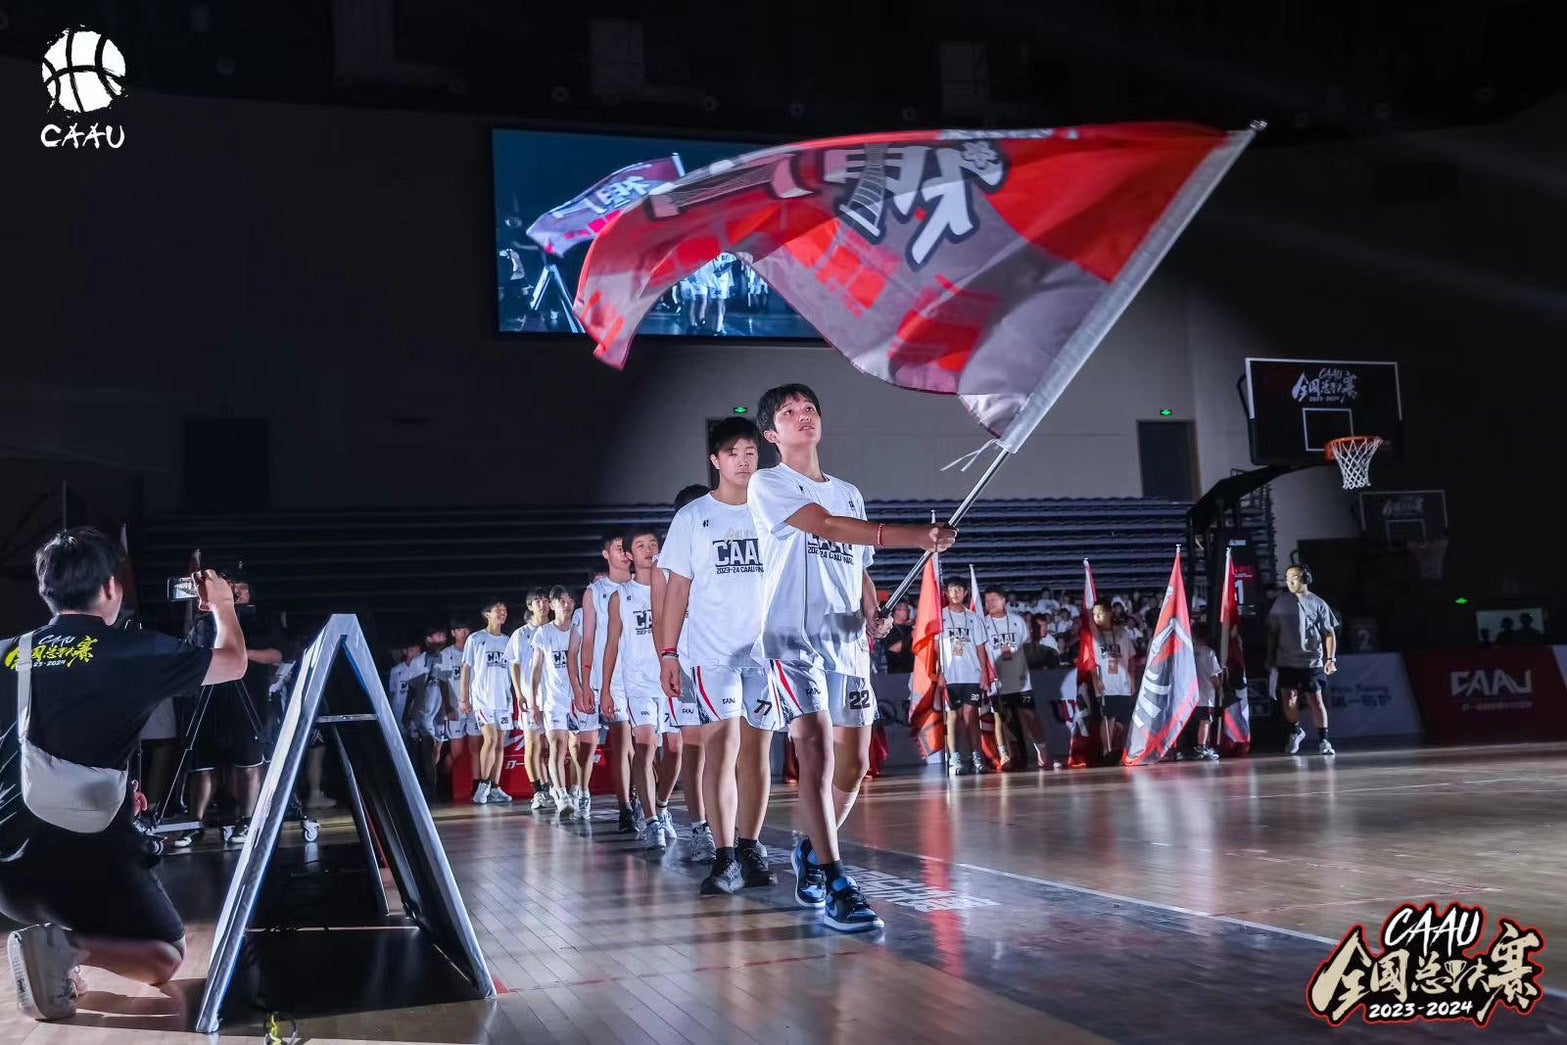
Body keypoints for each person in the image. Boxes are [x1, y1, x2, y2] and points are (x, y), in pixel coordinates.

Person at [3, 528, 248, 1021]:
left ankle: (55, 952)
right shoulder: (132, 651)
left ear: (44, 589)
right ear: (112, 588)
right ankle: (67, 948)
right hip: (76, 850)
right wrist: (223, 605)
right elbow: (233, 663)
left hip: (6, 869)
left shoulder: (8, 650)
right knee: (166, 955)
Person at [748, 383, 955, 933]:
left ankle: (812, 852)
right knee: (813, 753)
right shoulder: (767, 483)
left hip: (846, 642)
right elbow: (827, 527)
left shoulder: (849, 491)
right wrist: (915, 535)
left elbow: (855, 559)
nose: (802, 418)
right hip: (792, 640)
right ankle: (836, 879)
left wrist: (873, 611)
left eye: (810, 409)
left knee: (857, 765)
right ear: (772, 433)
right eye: (789, 414)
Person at [658, 418, 782, 894]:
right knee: (720, 748)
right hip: (713, 654)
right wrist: (669, 653)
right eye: (733, 452)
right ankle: (724, 854)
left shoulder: (774, 510)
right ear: (716, 460)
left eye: (751, 451)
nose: (744, 459)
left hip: (767, 654)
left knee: (758, 754)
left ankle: (750, 846)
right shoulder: (692, 518)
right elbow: (676, 593)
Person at [177, 575, 282, 846]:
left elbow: (276, 655)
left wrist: (239, 654)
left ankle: (246, 821)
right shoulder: (206, 621)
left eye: (243, 587)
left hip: (249, 700)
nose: (237, 591)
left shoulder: (261, 619)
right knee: (203, 765)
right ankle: (194, 823)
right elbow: (193, 652)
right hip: (210, 700)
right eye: (232, 586)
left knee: (248, 762)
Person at [652, 483, 714, 863]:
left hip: (724, 661)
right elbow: (661, 621)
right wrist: (668, 659)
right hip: (688, 664)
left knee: (729, 748)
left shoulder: (725, 552)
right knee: (694, 746)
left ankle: (734, 829)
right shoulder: (665, 567)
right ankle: (701, 827)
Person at [602, 528, 668, 848]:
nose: (648, 549)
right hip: (638, 683)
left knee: (679, 751)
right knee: (645, 745)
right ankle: (652, 819)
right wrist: (604, 689)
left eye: (653, 544)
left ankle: (663, 805)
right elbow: (611, 644)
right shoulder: (621, 597)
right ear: (629, 555)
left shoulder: (672, 585)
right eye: (640, 546)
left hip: (672, 678)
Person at [579, 537, 635, 831]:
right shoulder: (595, 592)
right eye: (617, 548)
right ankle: (626, 806)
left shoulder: (645, 584)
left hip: (645, 674)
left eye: (626, 548)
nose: (624, 554)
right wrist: (587, 683)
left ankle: (648, 800)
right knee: (623, 744)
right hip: (611, 679)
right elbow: (587, 640)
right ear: (606, 554)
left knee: (649, 748)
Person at [1265, 564, 1340, 757]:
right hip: (1286, 661)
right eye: (1287, 578)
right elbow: (1273, 633)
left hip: (1311, 662)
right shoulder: (1280, 604)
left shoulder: (1318, 603)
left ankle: (1324, 740)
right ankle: (1295, 731)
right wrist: (1270, 657)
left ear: (1305, 579)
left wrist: (1330, 659)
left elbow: (1329, 633)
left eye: (1294, 577)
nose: (1290, 582)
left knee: (1315, 700)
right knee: (1288, 700)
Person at [979, 587, 1048, 769]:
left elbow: (1025, 646)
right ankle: (1004, 755)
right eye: (987, 601)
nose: (990, 604)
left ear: (1003, 601)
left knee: (1029, 715)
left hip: (1020, 679)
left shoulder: (1017, 621)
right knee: (1000, 718)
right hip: (998, 680)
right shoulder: (983, 623)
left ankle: (1042, 749)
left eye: (994, 599)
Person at [530, 586, 583, 818]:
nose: (566, 604)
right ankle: (561, 795)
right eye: (561, 600)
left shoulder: (580, 628)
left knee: (579, 747)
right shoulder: (543, 633)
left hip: (578, 697)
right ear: (552, 605)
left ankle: (579, 792)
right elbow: (535, 670)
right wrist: (533, 703)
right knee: (557, 746)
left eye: (570, 599)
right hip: (553, 700)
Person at [460, 599, 517, 804]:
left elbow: (513, 670)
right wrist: (464, 698)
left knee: (500, 744)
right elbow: (466, 668)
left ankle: (494, 786)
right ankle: (482, 785)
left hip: (503, 699)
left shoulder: (508, 640)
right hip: (483, 698)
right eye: (498, 610)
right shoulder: (476, 639)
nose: (502, 613)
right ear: (487, 614)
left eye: (504, 609)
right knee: (490, 740)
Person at [936, 578, 991, 776]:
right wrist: (938, 672)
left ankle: (977, 756)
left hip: (972, 674)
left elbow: (980, 648)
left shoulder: (974, 618)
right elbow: (935, 648)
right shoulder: (940, 616)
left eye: (959, 589)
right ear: (946, 593)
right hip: (951, 675)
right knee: (953, 716)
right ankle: (955, 758)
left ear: (966, 593)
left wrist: (984, 673)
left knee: (971, 716)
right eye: (952, 589)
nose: (956, 593)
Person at [508, 591, 552, 810]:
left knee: (555, 745)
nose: (542, 604)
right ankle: (538, 791)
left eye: (545, 600)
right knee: (533, 744)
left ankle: (554, 787)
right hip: (531, 696)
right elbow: (514, 664)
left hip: (554, 696)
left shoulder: (555, 629)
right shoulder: (521, 634)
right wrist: (519, 693)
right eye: (538, 601)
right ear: (530, 606)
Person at [404, 624, 450, 801]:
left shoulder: (445, 658)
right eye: (435, 636)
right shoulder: (418, 661)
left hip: (438, 713)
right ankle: (427, 787)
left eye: (441, 636)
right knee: (425, 749)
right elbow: (412, 690)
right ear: (428, 640)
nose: (439, 640)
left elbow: (445, 686)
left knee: (435, 750)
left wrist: (448, 708)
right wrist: (407, 714)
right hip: (422, 713)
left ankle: (431, 787)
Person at [1088, 600, 1137, 761]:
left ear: (1109, 613)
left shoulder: (1122, 633)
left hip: (1122, 683)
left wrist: (1132, 679)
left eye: (1100, 613)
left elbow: (1130, 658)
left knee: (1121, 722)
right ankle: (1106, 751)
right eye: (1094, 614)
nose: (1096, 617)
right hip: (1105, 684)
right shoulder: (1094, 637)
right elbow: (1090, 661)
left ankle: (1119, 749)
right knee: (1107, 717)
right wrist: (1096, 680)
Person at [439, 617, 480, 800]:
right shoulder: (446, 654)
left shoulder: (475, 650)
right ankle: (442, 783)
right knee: (456, 751)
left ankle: (477, 787)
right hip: (455, 707)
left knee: (476, 749)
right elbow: (442, 682)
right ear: (453, 633)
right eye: (459, 629)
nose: (464, 633)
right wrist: (448, 706)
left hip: (475, 706)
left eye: (466, 629)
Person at [1187, 619, 1224, 761]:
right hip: (1206, 693)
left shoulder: (1189, 651)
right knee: (1206, 721)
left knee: (1202, 721)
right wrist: (1219, 688)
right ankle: (1201, 748)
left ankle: (1205, 746)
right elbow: (1214, 674)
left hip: (1191, 695)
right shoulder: (1209, 652)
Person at [881, 603, 915, 674]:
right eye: (905, 609)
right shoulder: (889, 629)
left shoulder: (909, 628)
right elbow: (893, 649)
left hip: (911, 670)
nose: (908, 612)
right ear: (897, 611)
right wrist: (911, 635)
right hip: (896, 671)